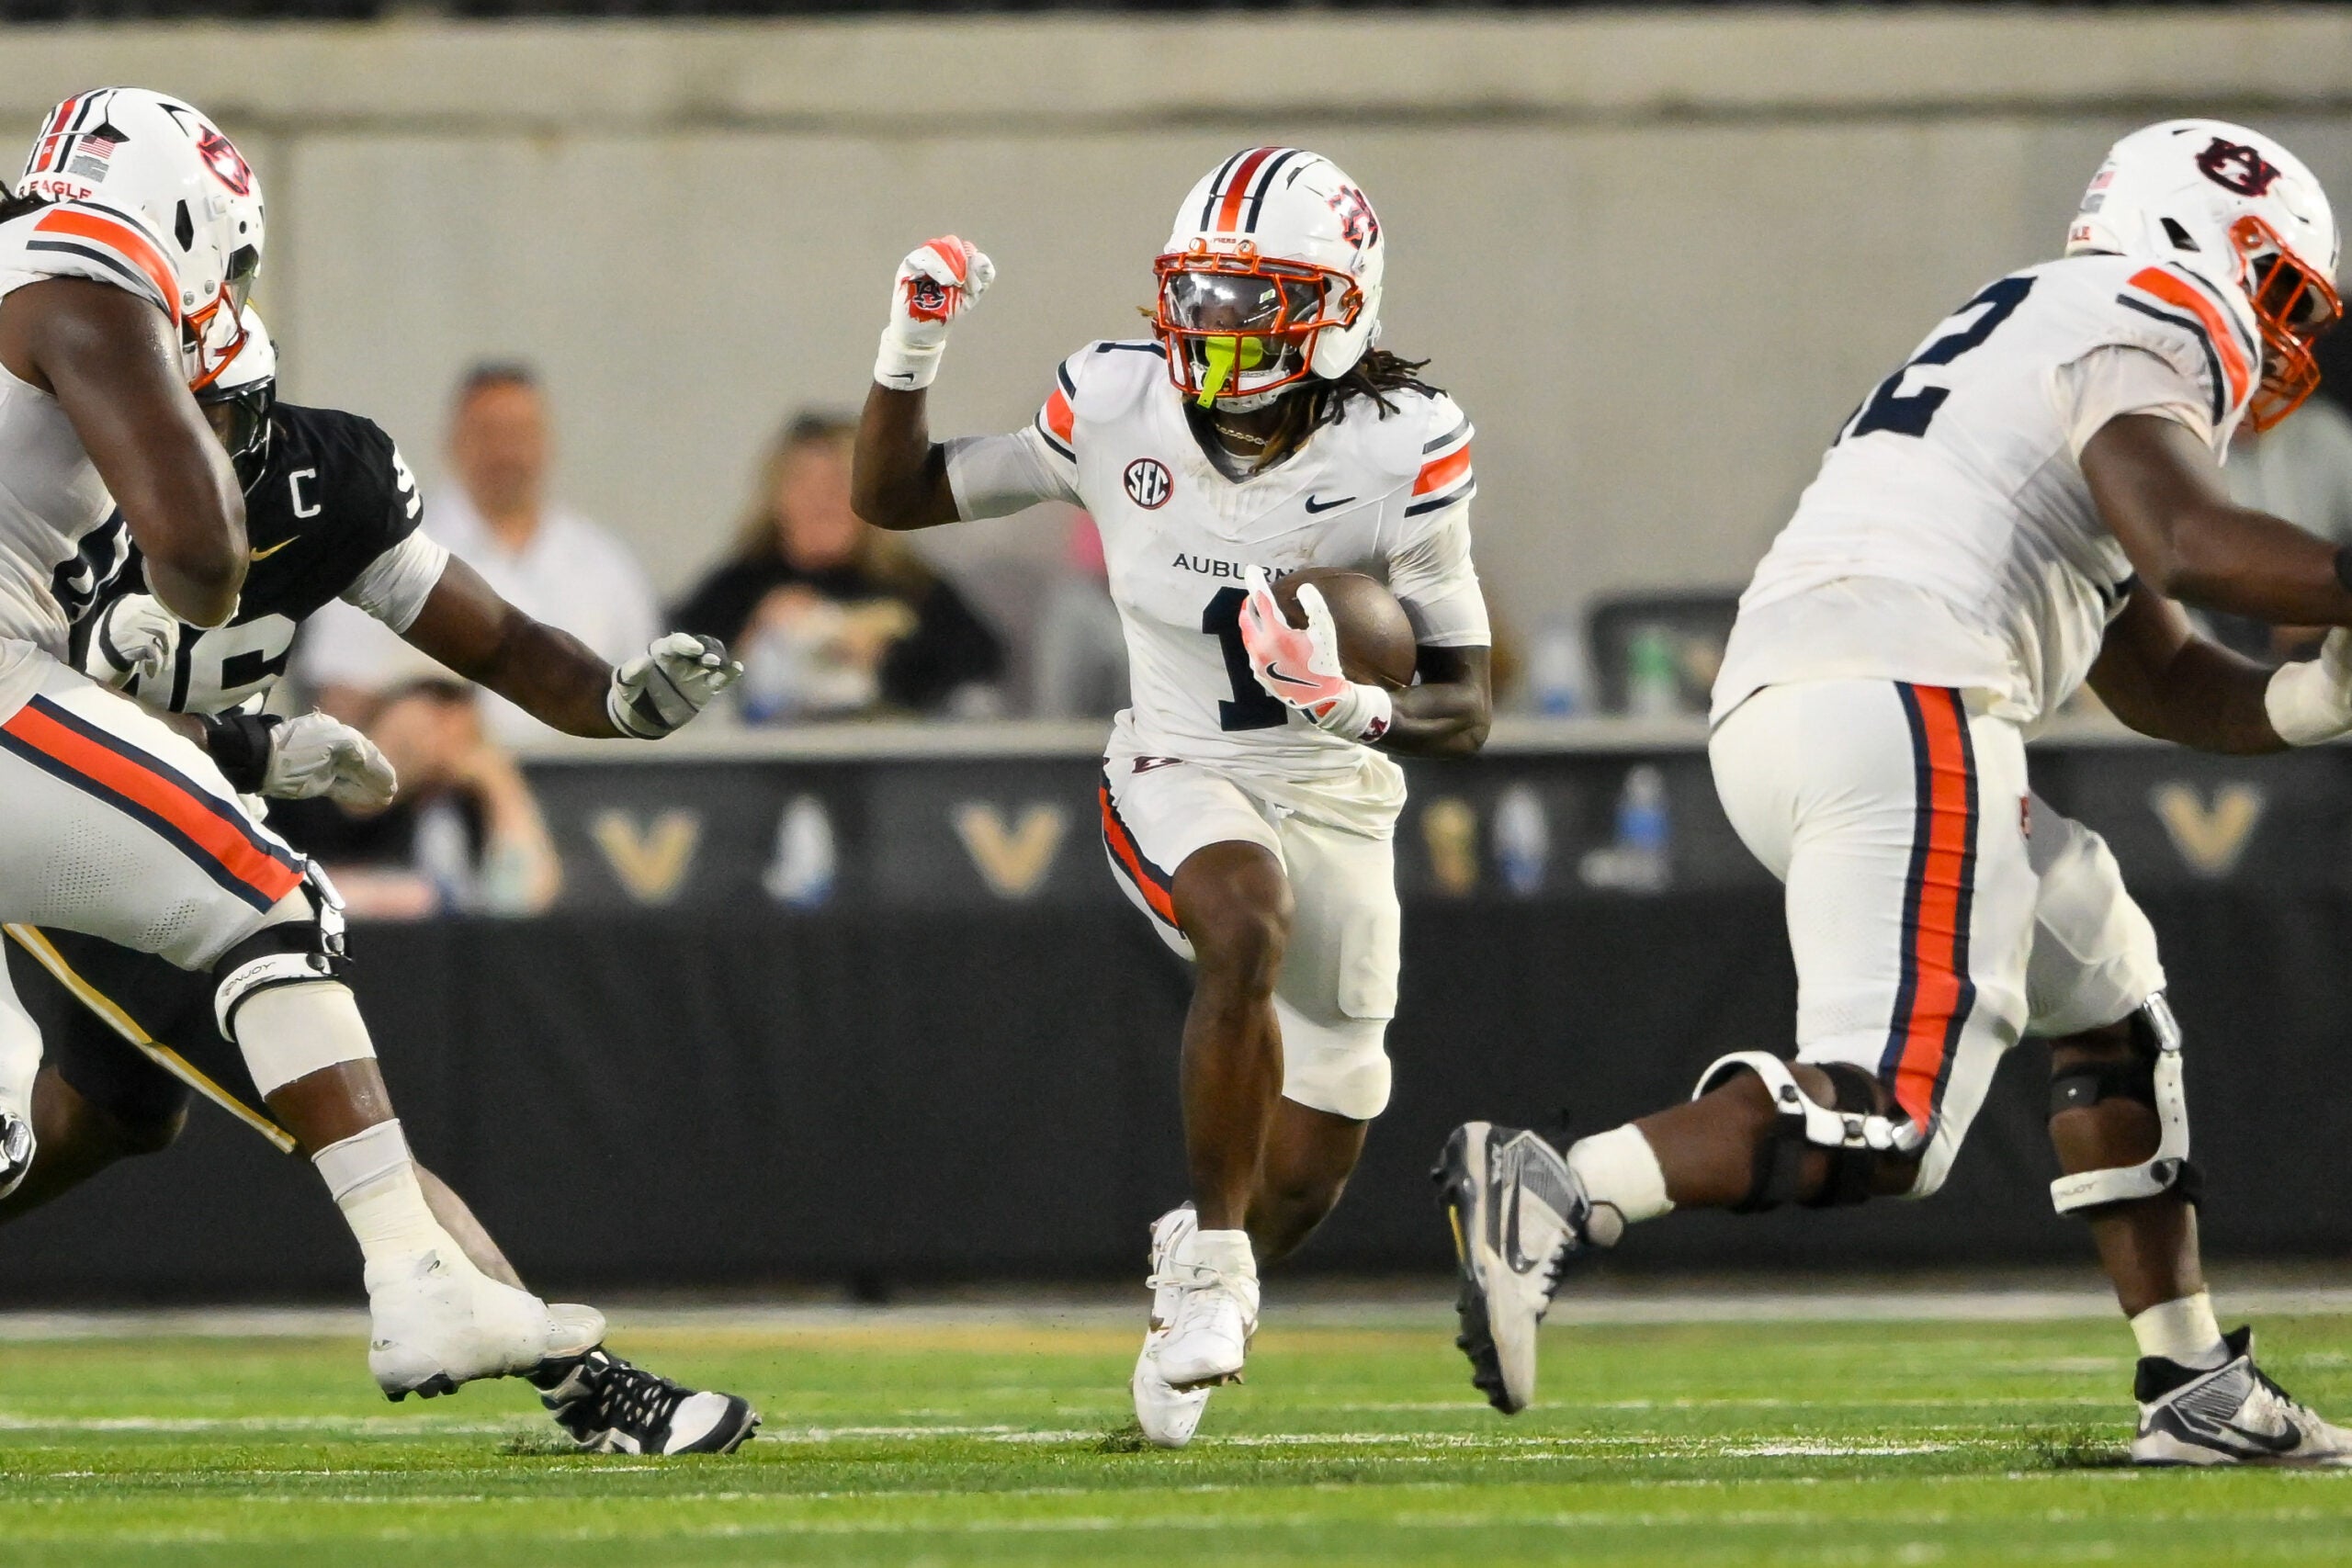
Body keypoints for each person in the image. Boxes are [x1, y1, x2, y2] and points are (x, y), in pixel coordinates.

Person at [1440, 118, 2352, 1467]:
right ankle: (1562, 1183)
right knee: (1893, 1117)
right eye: (2275, 291)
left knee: (2107, 986)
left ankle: (2192, 1377)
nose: (2280, 342)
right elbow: (2191, 543)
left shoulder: (2043, 324)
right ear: (2194, 236)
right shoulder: (2158, 312)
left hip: (1806, 701)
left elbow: (2158, 672)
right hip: (1902, 696)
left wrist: (2316, 696)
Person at [5, 275, 752, 1454]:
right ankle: (584, 1384)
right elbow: (49, 732)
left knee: (117, 1113)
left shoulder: (320, 475)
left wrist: (611, 704)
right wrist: (260, 745)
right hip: (74, 829)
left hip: (185, 817)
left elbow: (496, 638)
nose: (206, 446)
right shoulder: (58, 496)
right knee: (338, 1110)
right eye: (181, 413)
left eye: (228, 414)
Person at [853, 148, 1493, 1446]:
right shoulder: (1113, 401)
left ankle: (1207, 1267)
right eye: (1199, 291)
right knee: (1243, 919)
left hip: (1337, 783)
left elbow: (1467, 700)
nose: (1212, 324)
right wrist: (907, 348)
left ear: (1335, 306)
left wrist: (1350, 702)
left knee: (1311, 1163)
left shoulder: (1405, 444)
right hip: (1175, 763)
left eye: (1251, 297)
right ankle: (1210, 1266)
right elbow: (894, 495)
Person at [300, 363, 661, 744]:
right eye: (488, 433)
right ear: (452, 440)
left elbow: (645, 705)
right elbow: (338, 706)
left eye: (521, 434)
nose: (505, 452)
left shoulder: (604, 563)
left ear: (548, 441)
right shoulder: (390, 549)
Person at [672, 412, 1004, 719]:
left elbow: (981, 662)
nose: (823, 500)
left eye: (839, 483)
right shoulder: (738, 586)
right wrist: (755, 637)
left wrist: (883, 656)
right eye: (805, 483)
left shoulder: (912, 586)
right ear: (777, 497)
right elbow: (671, 668)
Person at [267, 678, 563, 919]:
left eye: (460, 717)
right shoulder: (290, 790)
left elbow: (518, 902)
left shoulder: (443, 815)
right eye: (433, 700)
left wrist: (499, 784)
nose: (442, 727)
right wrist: (385, 756)